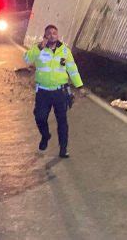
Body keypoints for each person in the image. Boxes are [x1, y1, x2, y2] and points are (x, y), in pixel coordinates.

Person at [24, 25, 85, 158]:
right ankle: (45, 136)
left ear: (58, 35)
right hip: (43, 92)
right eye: (49, 33)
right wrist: (39, 47)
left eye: (54, 33)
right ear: (45, 35)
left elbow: (72, 69)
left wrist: (79, 86)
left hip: (60, 92)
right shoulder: (38, 48)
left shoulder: (64, 51)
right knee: (40, 117)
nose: (52, 35)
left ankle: (63, 149)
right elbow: (27, 59)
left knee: (62, 121)